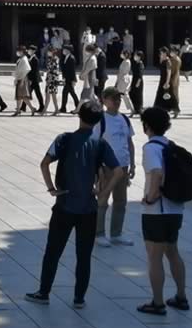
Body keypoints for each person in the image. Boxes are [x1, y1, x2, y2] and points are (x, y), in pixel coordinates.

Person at [25, 102, 122, 309]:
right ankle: (79, 298)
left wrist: (52, 188)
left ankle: (44, 292)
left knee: (53, 251)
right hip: (88, 208)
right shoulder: (100, 143)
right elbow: (118, 171)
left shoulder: (64, 139)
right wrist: (103, 194)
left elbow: (44, 163)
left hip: (64, 205)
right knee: (84, 255)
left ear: (80, 116)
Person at [137, 107, 191, 315]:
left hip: (157, 212)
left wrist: (150, 198)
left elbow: (157, 173)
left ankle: (157, 302)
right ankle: (181, 296)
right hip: (175, 209)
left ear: (147, 126)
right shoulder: (172, 146)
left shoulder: (151, 148)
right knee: (173, 252)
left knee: (154, 256)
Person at [91, 88, 136, 247]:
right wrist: (98, 169)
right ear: (104, 100)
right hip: (107, 167)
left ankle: (116, 233)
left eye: (118, 99)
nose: (116, 102)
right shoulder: (100, 120)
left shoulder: (124, 118)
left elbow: (129, 142)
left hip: (123, 166)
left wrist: (132, 163)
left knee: (121, 201)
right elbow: (94, 145)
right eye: (113, 98)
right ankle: (99, 233)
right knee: (103, 199)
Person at [158, 46, 180, 117]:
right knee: (161, 95)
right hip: (162, 79)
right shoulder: (163, 59)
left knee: (171, 96)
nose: (161, 53)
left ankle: (176, 110)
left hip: (167, 80)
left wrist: (167, 82)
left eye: (162, 52)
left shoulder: (168, 61)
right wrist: (161, 58)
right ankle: (161, 109)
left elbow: (169, 72)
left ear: (165, 53)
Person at [12, 47, 34, 116]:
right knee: (20, 96)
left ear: (22, 51)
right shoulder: (21, 59)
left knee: (23, 96)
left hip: (22, 79)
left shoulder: (24, 59)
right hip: (20, 78)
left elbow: (27, 70)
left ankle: (31, 108)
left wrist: (21, 80)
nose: (18, 52)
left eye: (19, 51)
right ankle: (18, 110)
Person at [59, 44, 79, 113]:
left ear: (68, 51)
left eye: (64, 50)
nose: (63, 51)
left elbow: (72, 71)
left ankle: (77, 107)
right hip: (67, 79)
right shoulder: (65, 57)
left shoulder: (71, 58)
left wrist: (74, 80)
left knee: (71, 93)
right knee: (66, 93)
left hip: (70, 79)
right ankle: (63, 108)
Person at [115, 49, 134, 114]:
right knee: (121, 95)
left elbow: (123, 72)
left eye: (122, 53)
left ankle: (131, 109)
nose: (121, 55)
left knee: (123, 94)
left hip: (123, 79)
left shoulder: (127, 62)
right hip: (121, 79)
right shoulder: (124, 61)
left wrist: (118, 80)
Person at [44, 46, 62, 114]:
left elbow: (54, 71)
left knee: (49, 94)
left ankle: (45, 110)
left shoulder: (55, 59)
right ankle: (56, 109)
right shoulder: (50, 59)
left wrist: (50, 79)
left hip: (52, 79)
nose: (48, 53)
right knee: (51, 94)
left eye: (49, 51)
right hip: (50, 78)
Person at [27, 45, 45, 113]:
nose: (29, 51)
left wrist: (31, 79)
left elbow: (34, 71)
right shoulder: (31, 58)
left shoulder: (35, 59)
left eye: (30, 50)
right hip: (33, 79)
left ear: (33, 51)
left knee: (36, 93)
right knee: (29, 93)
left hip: (34, 79)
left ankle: (42, 106)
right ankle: (23, 106)